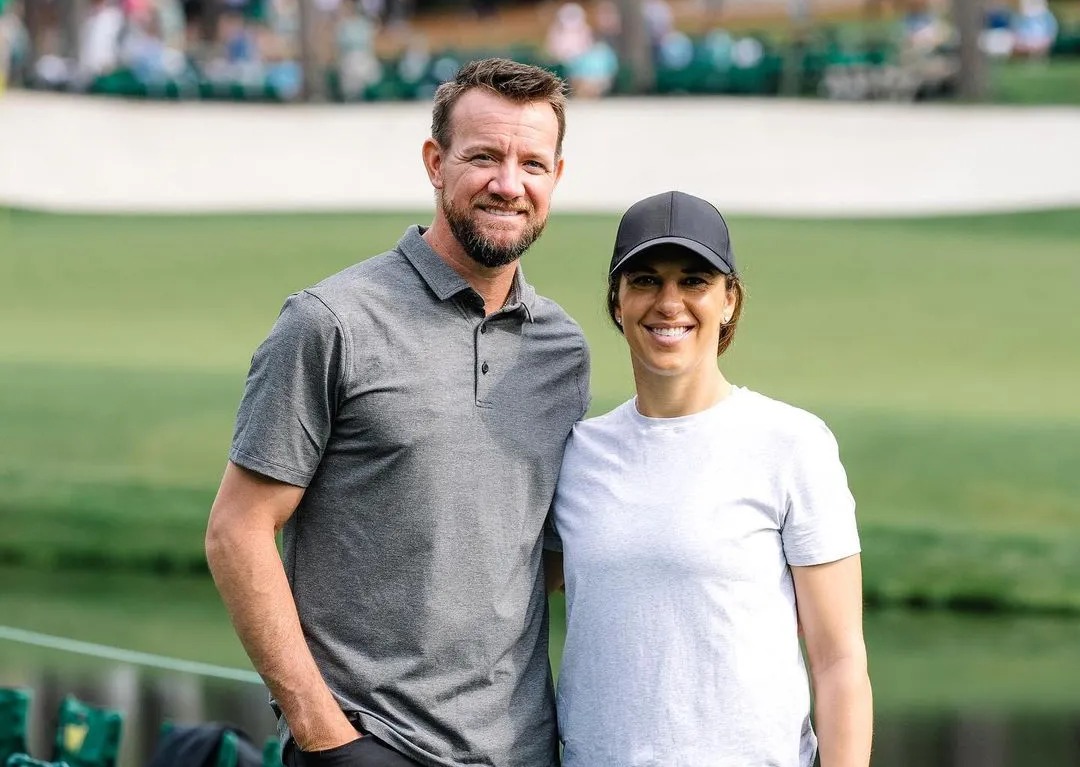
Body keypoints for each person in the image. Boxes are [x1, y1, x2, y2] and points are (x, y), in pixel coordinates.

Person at [205, 58, 589, 767]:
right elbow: (237, 531)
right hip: (370, 745)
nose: (509, 183)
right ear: (435, 163)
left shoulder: (563, 350)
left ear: (556, 179)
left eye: (532, 162)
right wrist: (324, 736)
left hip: (526, 749)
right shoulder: (330, 322)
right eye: (483, 157)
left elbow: (539, 550)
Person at [548, 191, 872, 766]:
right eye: (645, 280)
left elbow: (839, 660)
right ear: (617, 302)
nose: (668, 302)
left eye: (693, 281)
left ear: (729, 301)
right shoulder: (578, 454)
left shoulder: (791, 444)